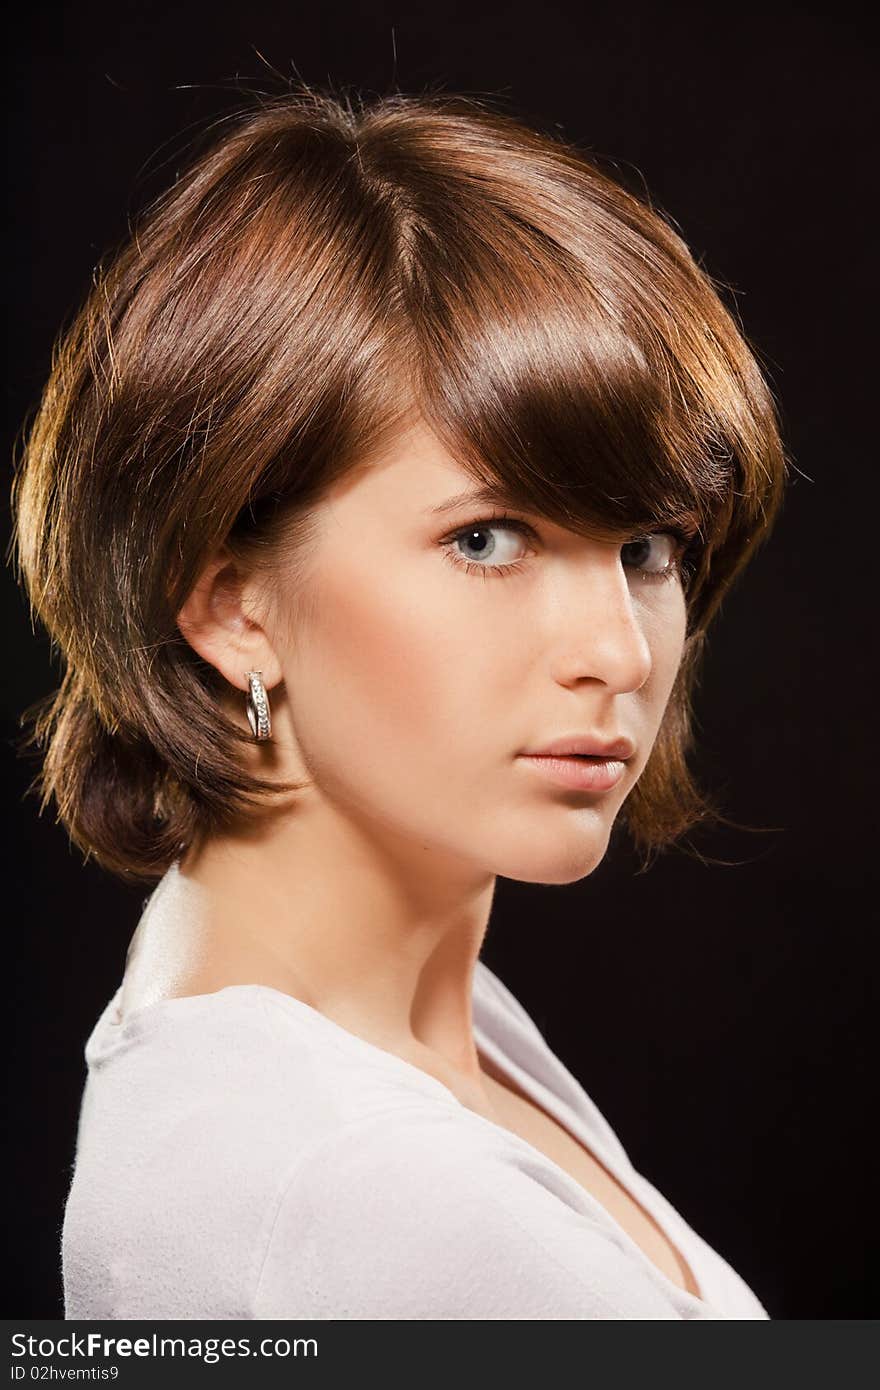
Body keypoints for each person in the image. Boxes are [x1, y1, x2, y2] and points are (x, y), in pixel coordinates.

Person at [11, 84, 788, 1320]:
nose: (618, 653)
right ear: (229, 603)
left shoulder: (406, 1014)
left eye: (646, 547)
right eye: (488, 539)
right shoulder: (364, 1191)